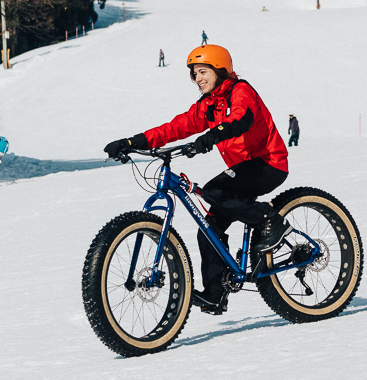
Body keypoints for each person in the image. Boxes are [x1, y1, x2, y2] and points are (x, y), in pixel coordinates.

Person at [103, 44, 290, 313]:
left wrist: (212, 136)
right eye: (194, 74)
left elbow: (242, 118)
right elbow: (176, 127)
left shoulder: (241, 91)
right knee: (209, 229)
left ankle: (270, 220)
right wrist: (132, 141)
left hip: (268, 163)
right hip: (242, 170)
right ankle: (215, 294)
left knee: (214, 190)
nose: (198, 78)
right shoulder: (209, 104)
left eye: (203, 71)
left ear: (220, 70)